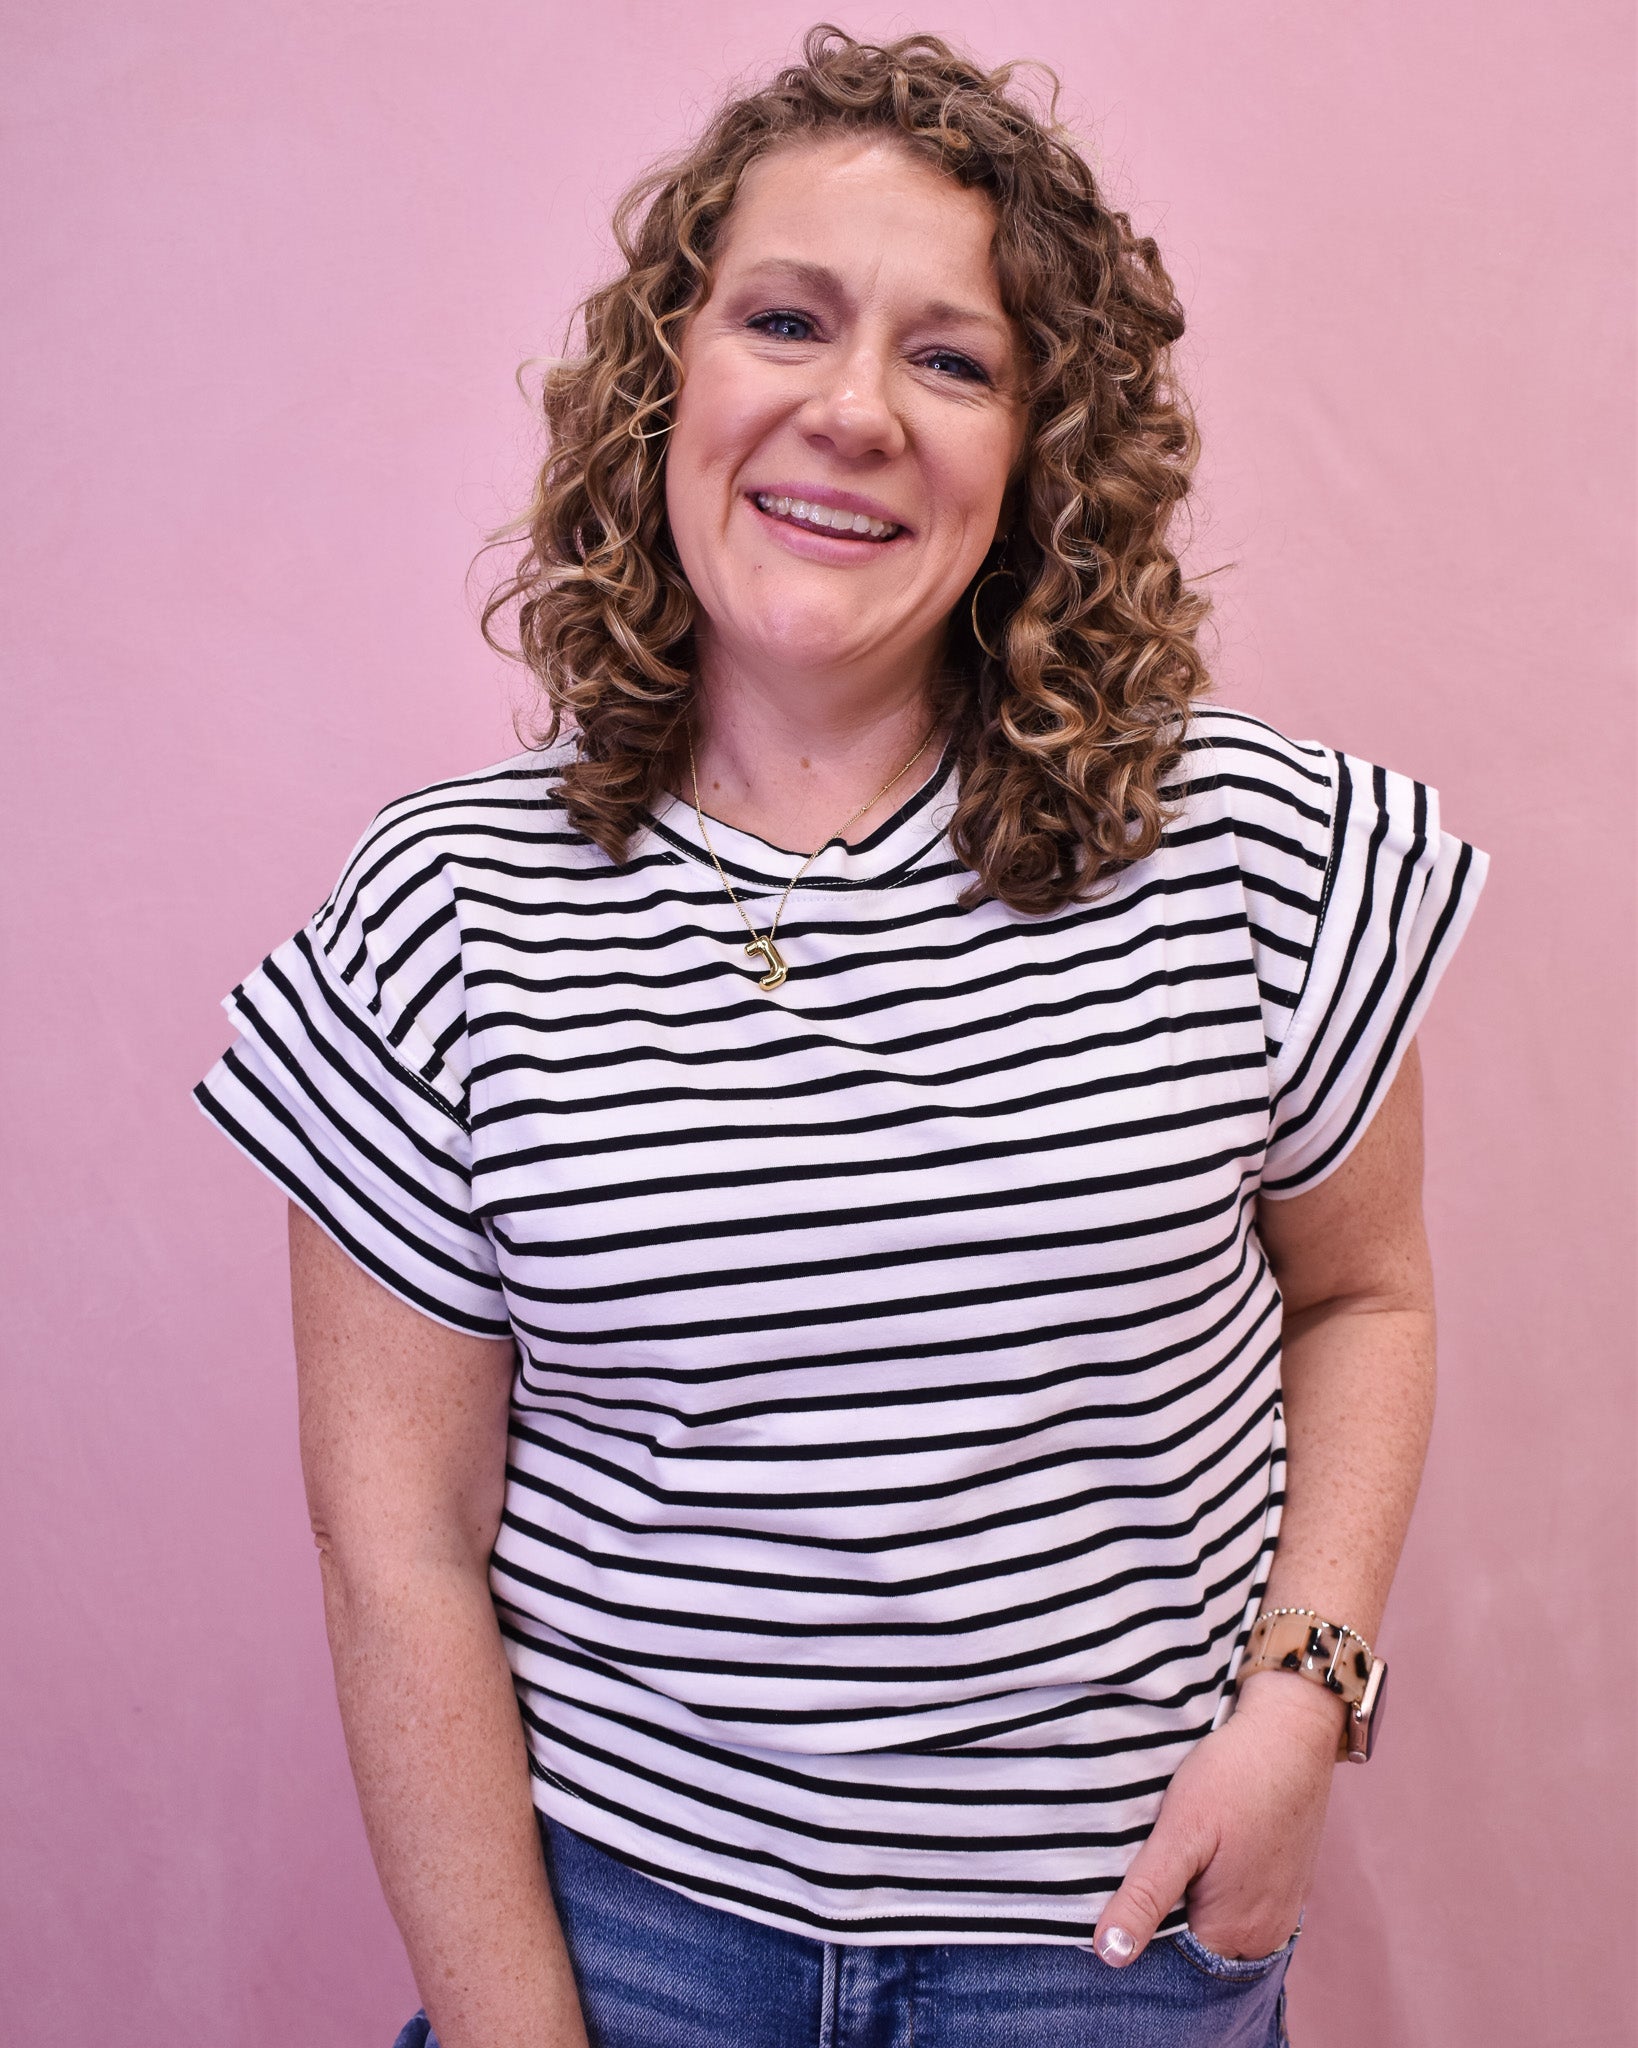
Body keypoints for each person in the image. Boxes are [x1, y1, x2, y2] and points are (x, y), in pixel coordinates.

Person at [195, 27, 1486, 2048]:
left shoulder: (1265, 852)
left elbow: (1368, 1301)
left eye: (955, 359)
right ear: (667, 385)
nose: (856, 409)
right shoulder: (448, 908)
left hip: (1114, 1943)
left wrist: (1301, 1702)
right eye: (786, 319)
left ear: (1041, 455)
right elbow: (403, 1551)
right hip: (626, 1940)